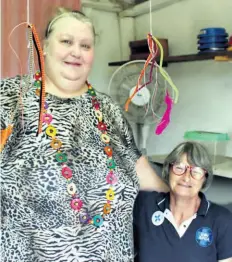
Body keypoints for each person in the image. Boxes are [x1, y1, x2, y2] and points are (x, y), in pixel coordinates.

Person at [0, 7, 168, 262]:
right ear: (44, 46)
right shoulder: (11, 98)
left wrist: (185, 194)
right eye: (66, 41)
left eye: (85, 45)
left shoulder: (108, 109)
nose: (76, 52)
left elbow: (137, 168)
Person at [133, 141, 232, 262]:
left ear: (205, 178)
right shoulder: (145, 205)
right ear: (168, 170)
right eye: (179, 168)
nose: (186, 177)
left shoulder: (222, 220)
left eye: (196, 171)